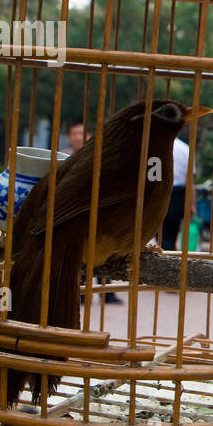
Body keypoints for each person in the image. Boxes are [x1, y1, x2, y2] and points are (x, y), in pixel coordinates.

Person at [66, 119, 121, 303]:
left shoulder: (101, 156)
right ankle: (79, 292)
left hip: (99, 212)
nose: (77, 137)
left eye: (81, 133)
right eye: (74, 133)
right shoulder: (63, 158)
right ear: (69, 137)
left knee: (103, 250)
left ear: (88, 136)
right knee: (77, 252)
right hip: (73, 213)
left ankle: (107, 292)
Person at [159, 133, 192, 251]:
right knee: (171, 232)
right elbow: (189, 180)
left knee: (159, 231)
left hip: (159, 191)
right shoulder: (185, 149)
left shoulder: (158, 146)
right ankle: (168, 255)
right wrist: (191, 204)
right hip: (178, 195)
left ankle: (163, 255)